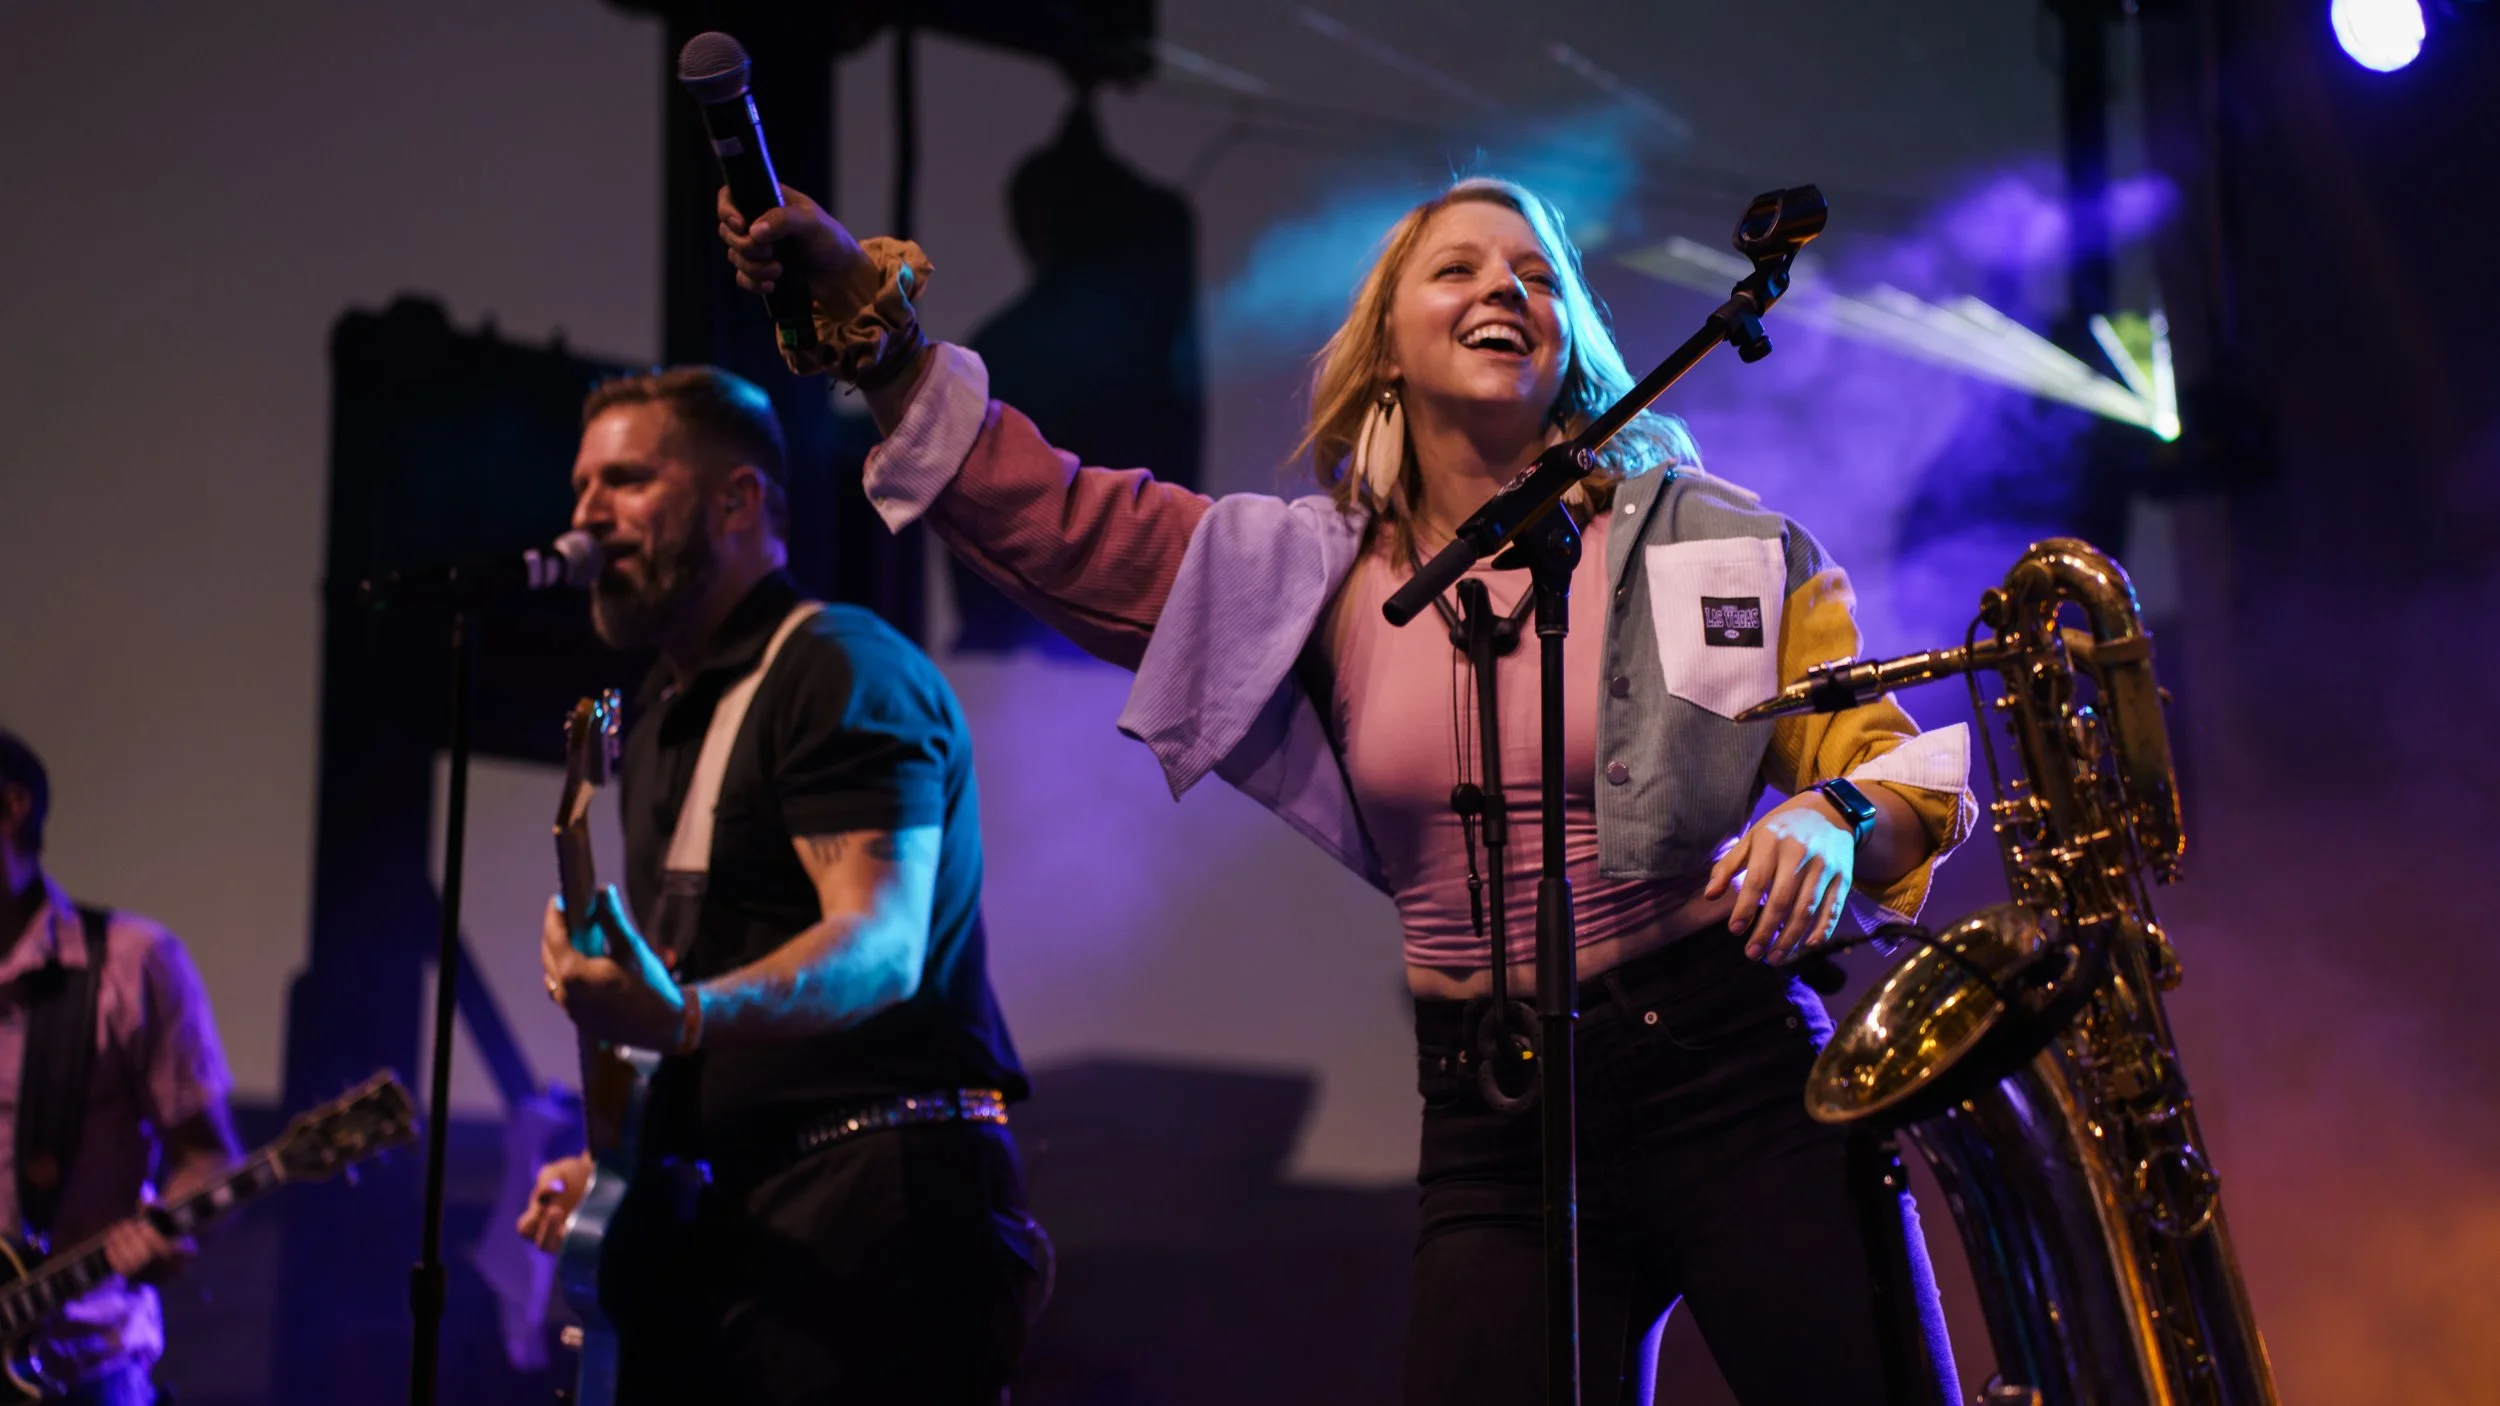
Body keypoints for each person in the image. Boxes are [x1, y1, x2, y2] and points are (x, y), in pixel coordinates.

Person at [720, 177, 1977, 1405]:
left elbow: (1889, 757)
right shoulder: (1303, 576)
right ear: (1385, 348)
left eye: (1538, 273)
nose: (1505, 286)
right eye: (1462, 267)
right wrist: (881, 347)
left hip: (1733, 1082)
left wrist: (1838, 815)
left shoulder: (1706, 543)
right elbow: (1056, 522)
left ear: (1572, 341)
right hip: (1495, 1115)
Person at [513, 368, 1048, 1405]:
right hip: (752, 1211)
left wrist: (684, 1013)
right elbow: (695, 984)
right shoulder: (665, 707)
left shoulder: (837, 669)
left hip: (881, 1207)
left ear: (739, 501)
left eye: (625, 479)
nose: (586, 515)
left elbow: (880, 947)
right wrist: (621, 1174)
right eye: (582, 487)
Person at [0, 729, 239, 1405]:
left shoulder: (132, 962)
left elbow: (209, 1158)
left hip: (83, 1368)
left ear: (12, 806)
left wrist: (165, 1231)